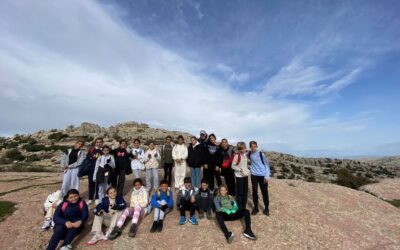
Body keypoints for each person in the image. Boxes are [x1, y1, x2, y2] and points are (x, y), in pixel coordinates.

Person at [248, 141, 270, 216]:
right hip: (254, 175)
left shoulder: (261, 154)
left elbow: (267, 165)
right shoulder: (249, 154)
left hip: (262, 175)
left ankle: (266, 208)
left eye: (254, 146)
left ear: (256, 146)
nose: (253, 148)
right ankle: (256, 208)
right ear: (250, 147)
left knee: (264, 192)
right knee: (254, 192)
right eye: (251, 146)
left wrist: (266, 176)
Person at [231, 142, 249, 210]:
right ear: (238, 149)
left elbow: (245, 165)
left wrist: (247, 169)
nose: (242, 150)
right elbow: (232, 166)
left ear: (245, 148)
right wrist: (240, 169)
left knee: (245, 191)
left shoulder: (245, 155)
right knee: (240, 192)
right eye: (240, 149)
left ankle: (243, 206)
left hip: (245, 175)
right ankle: (239, 207)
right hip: (239, 176)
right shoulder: (237, 156)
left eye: (243, 148)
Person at [85, 137, 103, 204]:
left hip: (100, 170)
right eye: (97, 142)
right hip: (91, 169)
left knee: (98, 184)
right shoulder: (92, 150)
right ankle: (90, 198)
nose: (98, 143)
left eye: (100, 142)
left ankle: (97, 197)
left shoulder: (103, 150)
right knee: (91, 184)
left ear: (102, 143)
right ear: (95, 143)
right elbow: (87, 158)